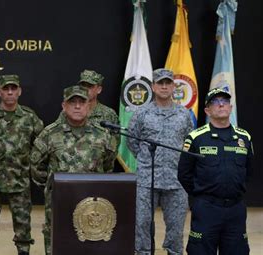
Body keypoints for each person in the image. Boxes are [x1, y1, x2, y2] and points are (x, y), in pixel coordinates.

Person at [30, 85, 116, 255]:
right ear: (64, 106)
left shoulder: (103, 135)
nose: (77, 106)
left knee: (89, 247)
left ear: (88, 106)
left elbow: (108, 166)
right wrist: (52, 188)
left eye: (81, 102)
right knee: (58, 245)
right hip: (58, 203)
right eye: (72, 102)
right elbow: (36, 167)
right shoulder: (50, 133)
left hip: (91, 207)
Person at [0, 74, 43, 255]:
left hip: (19, 182)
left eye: (13, 89)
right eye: (6, 89)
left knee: (23, 228)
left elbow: (41, 144)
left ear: (19, 91)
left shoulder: (29, 117)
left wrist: (27, 162)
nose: (10, 92)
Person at [178, 88, 253, 255]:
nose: (221, 104)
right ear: (207, 110)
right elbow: (184, 173)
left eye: (225, 101)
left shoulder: (244, 137)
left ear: (231, 107)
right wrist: (201, 195)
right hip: (207, 208)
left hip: (236, 209)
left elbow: (248, 171)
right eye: (215, 102)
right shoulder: (195, 137)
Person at [127, 68, 193, 255]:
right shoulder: (141, 113)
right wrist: (146, 161)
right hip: (148, 180)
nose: (164, 86)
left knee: (176, 227)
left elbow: (189, 142)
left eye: (168, 83)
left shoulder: (184, 114)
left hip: (176, 179)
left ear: (173, 86)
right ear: (153, 87)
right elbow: (132, 141)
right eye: (160, 83)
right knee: (142, 224)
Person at [54, 69, 119, 171]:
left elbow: (113, 148)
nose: (86, 89)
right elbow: (56, 136)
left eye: (90, 86)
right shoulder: (67, 112)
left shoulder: (108, 114)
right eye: (83, 85)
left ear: (99, 89)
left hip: (95, 173)